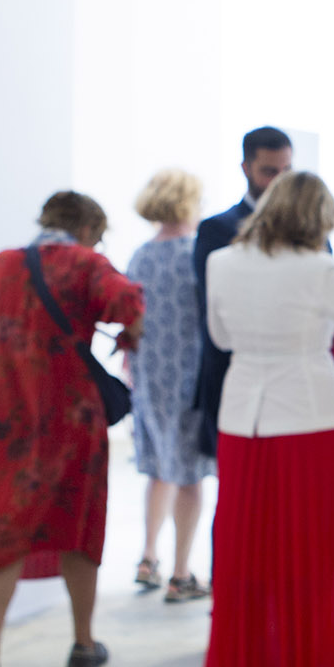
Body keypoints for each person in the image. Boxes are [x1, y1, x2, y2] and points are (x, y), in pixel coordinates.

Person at [199, 172, 334, 667]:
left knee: (247, 547)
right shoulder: (318, 269)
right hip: (311, 418)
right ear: (318, 218)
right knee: (311, 548)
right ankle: (304, 665)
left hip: (242, 418)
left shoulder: (221, 262)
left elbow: (220, 338)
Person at [0, 191, 143, 667]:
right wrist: (129, 336)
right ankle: (83, 643)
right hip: (69, 420)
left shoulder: (3, 264)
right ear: (87, 229)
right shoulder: (86, 264)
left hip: (1, 418)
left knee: (1, 526)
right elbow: (129, 303)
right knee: (77, 527)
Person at [125, 168, 213, 602]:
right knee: (189, 477)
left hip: (147, 375)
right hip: (189, 377)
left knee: (159, 469)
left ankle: (148, 557)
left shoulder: (140, 256)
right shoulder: (196, 254)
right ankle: (181, 573)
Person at [193, 126, 294, 457]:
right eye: (269, 171)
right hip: (234, 377)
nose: (279, 182)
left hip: (294, 382)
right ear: (246, 168)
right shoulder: (216, 229)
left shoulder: (308, 231)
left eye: (286, 171)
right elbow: (212, 309)